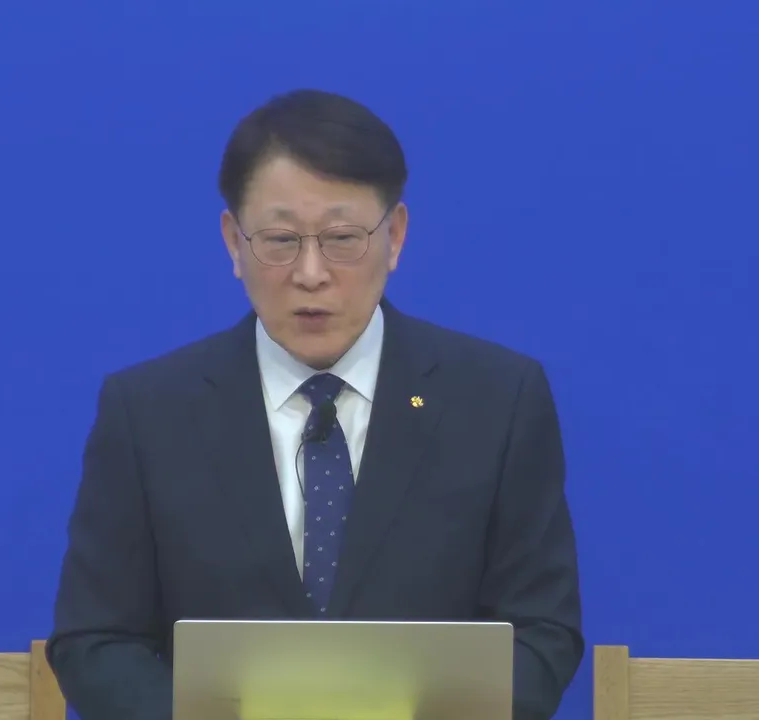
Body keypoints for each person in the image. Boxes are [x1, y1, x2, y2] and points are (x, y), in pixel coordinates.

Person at [47, 88, 584, 720]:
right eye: (280, 239)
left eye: (342, 238)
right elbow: (95, 641)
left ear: (395, 237)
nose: (310, 273)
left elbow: (542, 632)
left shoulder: (497, 401)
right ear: (233, 242)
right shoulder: (148, 413)